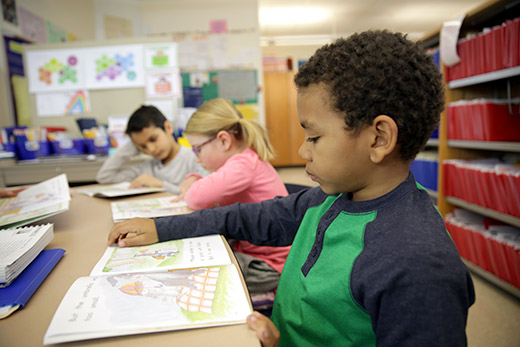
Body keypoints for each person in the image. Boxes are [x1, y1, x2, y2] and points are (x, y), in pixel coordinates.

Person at [108, 30, 475, 346]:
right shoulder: (332, 197)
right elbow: (249, 217)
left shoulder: (418, 266)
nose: (302, 151)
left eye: (314, 136)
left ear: (379, 138)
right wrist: (160, 227)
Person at [175, 97, 291, 304]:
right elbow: (206, 192)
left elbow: (196, 197)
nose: (196, 158)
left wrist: (192, 183)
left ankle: (268, 295)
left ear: (224, 140)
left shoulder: (242, 165)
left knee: (198, 278)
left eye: (197, 149)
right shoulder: (245, 160)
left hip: (268, 266)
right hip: (253, 252)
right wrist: (193, 179)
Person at [96, 105, 208, 194]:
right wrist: (131, 147)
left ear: (168, 128)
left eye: (153, 139)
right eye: (143, 146)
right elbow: (105, 177)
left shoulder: (196, 158)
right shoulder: (147, 167)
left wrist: (160, 184)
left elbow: (202, 196)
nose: (151, 149)